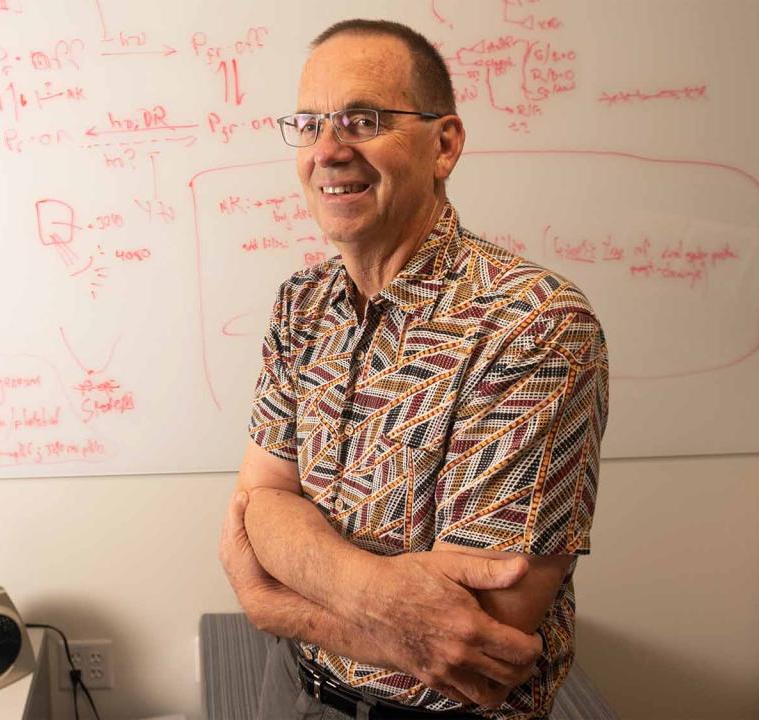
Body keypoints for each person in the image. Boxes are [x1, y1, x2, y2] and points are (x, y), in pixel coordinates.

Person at [218, 18, 609, 720]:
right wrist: (378, 601)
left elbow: (483, 628)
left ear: (445, 144)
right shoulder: (300, 306)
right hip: (297, 691)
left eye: (363, 120)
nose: (329, 151)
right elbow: (259, 506)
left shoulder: (532, 324)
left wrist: (282, 599)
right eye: (309, 125)